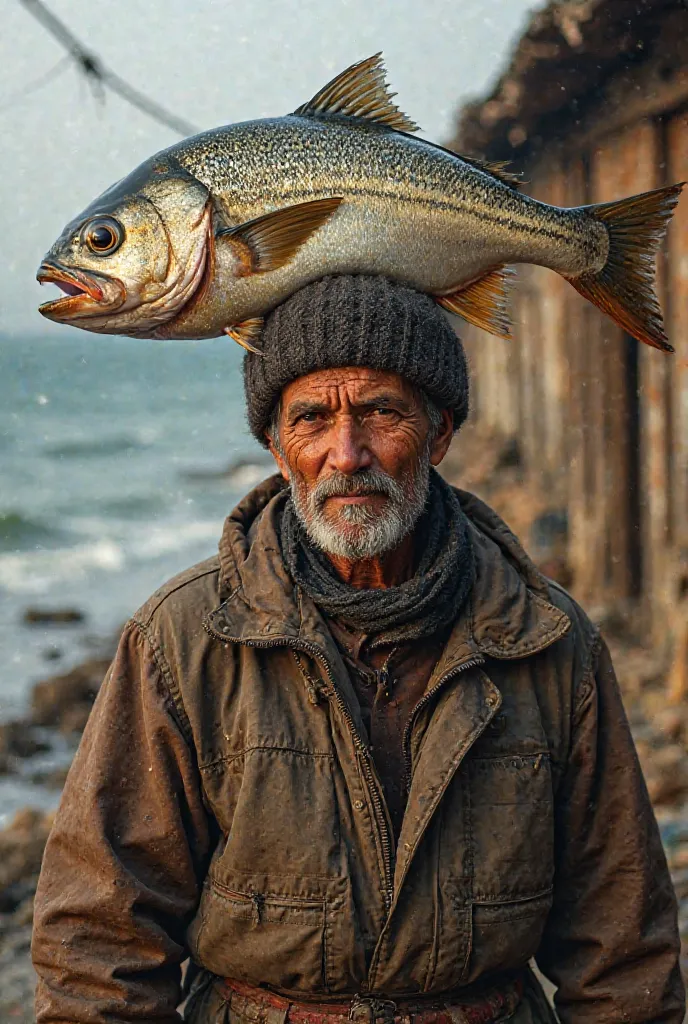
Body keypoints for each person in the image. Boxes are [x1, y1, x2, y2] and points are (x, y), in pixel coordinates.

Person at [32, 275, 685, 1023]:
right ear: (278, 449)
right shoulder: (183, 640)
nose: (348, 454)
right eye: (313, 418)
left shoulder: (545, 640)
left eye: (380, 411)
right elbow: (98, 941)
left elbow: (623, 949)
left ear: (439, 433)